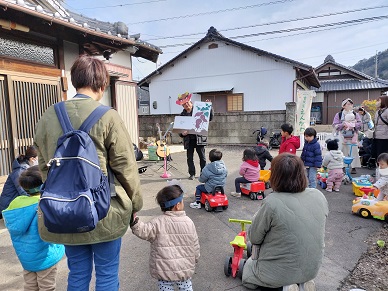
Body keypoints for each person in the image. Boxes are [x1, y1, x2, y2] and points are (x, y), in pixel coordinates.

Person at [34, 55, 143, 291]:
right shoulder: (108, 116)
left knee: (77, 274)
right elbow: (126, 167)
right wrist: (135, 204)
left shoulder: (48, 116)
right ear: (102, 85)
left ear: (74, 82)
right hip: (105, 210)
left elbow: (45, 167)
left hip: (65, 212)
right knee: (106, 275)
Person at [242, 153, 329, 290]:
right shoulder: (318, 196)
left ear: (275, 176)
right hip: (311, 269)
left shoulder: (272, 202)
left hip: (278, 272)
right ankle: (302, 284)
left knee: (248, 270)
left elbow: (254, 238)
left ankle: (285, 287)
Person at [2, 166, 65, 291]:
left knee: (30, 286)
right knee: (47, 287)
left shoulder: (16, 203)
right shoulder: (45, 204)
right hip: (46, 255)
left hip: (26, 257)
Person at [130, 183, 200, 291]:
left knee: (165, 288)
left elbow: (143, 231)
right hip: (184, 269)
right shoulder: (188, 222)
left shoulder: (157, 223)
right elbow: (194, 243)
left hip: (164, 270)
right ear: (177, 205)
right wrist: (195, 257)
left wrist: (134, 222)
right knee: (186, 287)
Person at [177, 92, 214, 180]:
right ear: (183, 106)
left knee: (202, 157)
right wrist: (182, 133)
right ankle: (192, 173)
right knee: (189, 158)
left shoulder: (199, 110)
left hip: (199, 138)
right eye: (184, 104)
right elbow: (179, 130)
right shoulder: (182, 115)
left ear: (191, 102)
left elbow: (210, 118)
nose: (186, 105)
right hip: (188, 139)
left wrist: (209, 107)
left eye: (188, 103)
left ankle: (203, 173)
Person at [0, 145, 38, 218]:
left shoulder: (26, 169)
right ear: (32, 159)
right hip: (8, 208)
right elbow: (23, 192)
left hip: (15, 204)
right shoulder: (20, 171)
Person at [332, 98, 362, 174]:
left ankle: (354, 167)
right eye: (348, 104)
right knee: (343, 151)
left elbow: (360, 124)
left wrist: (353, 125)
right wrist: (343, 125)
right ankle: (343, 166)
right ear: (343, 106)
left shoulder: (356, 114)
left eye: (351, 104)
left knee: (354, 151)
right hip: (342, 135)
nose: (350, 106)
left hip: (353, 135)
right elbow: (335, 124)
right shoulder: (338, 114)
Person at [372, 95, 388, 160]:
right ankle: (379, 168)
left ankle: (384, 169)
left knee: (383, 155)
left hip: (385, 138)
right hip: (376, 137)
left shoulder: (387, 111)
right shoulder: (377, 112)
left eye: (379, 100)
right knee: (377, 155)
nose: (377, 102)